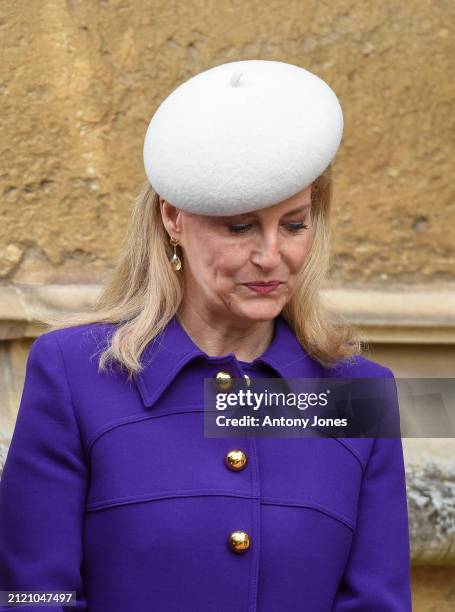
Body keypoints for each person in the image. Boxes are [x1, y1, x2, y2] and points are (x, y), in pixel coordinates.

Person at [0, 60, 412, 611]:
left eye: (294, 224)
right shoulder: (75, 373)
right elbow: (33, 597)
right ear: (173, 219)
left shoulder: (360, 394)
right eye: (239, 227)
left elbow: (377, 603)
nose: (272, 256)